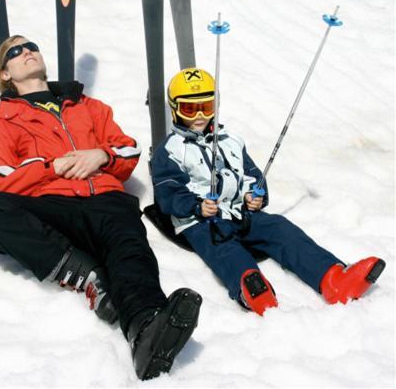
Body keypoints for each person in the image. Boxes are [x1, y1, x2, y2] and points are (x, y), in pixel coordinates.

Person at [0, 35, 202, 380]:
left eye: (30, 45)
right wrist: (52, 167)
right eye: (15, 51)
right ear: (5, 74)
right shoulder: (1, 119)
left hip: (107, 200)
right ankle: (85, 272)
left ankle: (147, 331)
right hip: (52, 206)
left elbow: (128, 150)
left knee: (130, 252)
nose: (27, 51)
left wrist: (103, 155)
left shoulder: (89, 106)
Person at [151, 68, 386, 316]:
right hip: (202, 220)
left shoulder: (230, 140)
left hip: (238, 210)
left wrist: (256, 194)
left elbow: (251, 173)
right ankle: (251, 288)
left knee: (280, 228)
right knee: (222, 247)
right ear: (175, 108)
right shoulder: (171, 150)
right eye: (190, 109)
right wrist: (196, 206)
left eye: (206, 106)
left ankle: (333, 278)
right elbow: (167, 192)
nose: (199, 115)